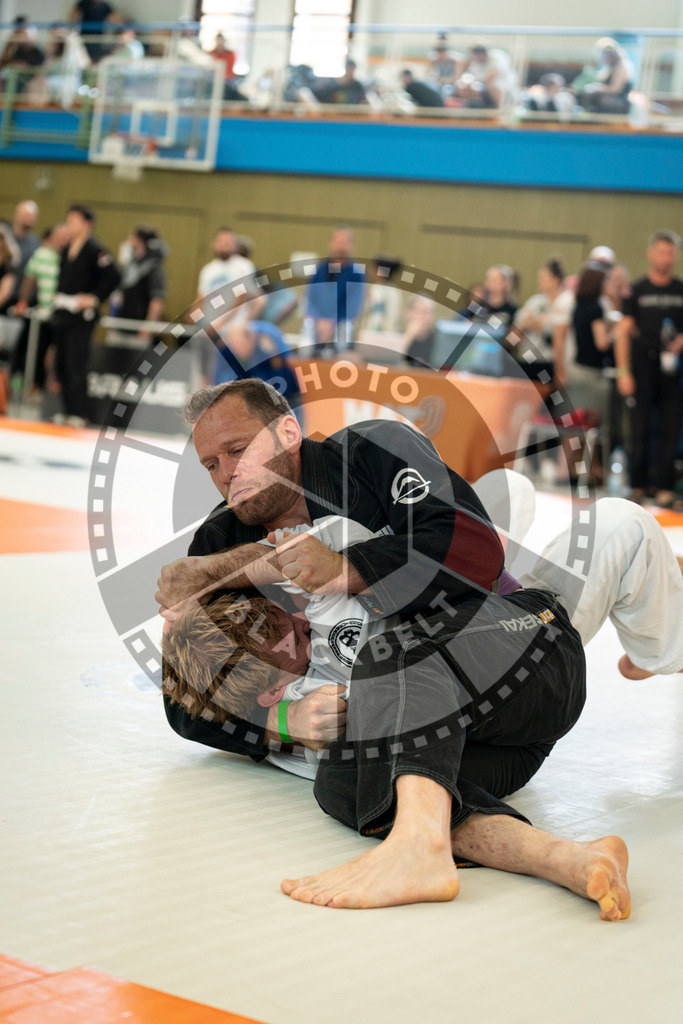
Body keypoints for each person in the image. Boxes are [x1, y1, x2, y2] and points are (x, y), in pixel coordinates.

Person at [160, 493, 629, 919]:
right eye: (295, 638)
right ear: (270, 692)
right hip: (506, 742)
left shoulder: (313, 601)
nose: (302, 620)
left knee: (387, 661)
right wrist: (284, 721)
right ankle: (565, 857)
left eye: (291, 614)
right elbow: (191, 703)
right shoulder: (287, 698)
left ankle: (416, 844)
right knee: (344, 781)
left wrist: (214, 577)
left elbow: (306, 558)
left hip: (535, 644)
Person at [615, 230, 683, 506]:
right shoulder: (637, 290)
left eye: (672, 252)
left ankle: (665, 486)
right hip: (642, 366)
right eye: (662, 251)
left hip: (673, 369)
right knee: (639, 426)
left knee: (671, 427)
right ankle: (638, 485)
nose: (667, 257)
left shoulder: (680, 289)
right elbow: (622, 332)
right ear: (651, 253)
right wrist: (623, 372)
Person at [50, 203, 120, 427]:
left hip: (82, 318)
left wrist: (95, 297)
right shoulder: (67, 248)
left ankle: (79, 413)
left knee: (75, 363)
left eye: (73, 221)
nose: (69, 225)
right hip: (63, 312)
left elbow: (114, 276)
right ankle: (67, 410)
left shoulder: (94, 249)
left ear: (87, 224)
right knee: (60, 363)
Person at [193, 226, 262, 385]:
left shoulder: (242, 266)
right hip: (211, 330)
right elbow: (201, 299)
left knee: (229, 378)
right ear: (214, 244)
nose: (225, 245)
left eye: (229, 242)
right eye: (221, 241)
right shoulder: (208, 270)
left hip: (232, 331)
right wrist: (196, 317)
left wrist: (222, 323)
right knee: (206, 374)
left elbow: (241, 297)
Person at [9, 223, 69, 392]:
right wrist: (23, 301)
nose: (62, 241)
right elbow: (30, 278)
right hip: (43, 314)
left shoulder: (71, 257)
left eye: (65, 238)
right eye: (59, 237)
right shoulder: (42, 254)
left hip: (65, 315)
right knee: (37, 352)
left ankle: (52, 391)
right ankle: (35, 387)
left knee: (60, 355)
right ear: (52, 237)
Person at [304, 226, 365, 354]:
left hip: (340, 321)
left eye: (344, 242)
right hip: (318, 321)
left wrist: (332, 321)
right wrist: (319, 320)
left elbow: (353, 307)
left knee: (344, 331)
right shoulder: (319, 269)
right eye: (338, 242)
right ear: (331, 243)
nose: (340, 247)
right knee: (307, 328)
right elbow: (310, 299)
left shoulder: (356, 274)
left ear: (351, 245)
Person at [514, 258, 573, 382]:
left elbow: (555, 328)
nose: (540, 282)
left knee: (548, 396)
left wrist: (537, 321)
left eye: (543, 278)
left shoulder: (567, 301)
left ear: (556, 280)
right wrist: (541, 321)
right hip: (528, 358)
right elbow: (522, 322)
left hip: (549, 359)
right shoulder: (535, 301)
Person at [109, 225, 167, 343]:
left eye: (132, 237)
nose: (128, 241)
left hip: (138, 329)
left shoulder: (154, 269)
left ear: (140, 241)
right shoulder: (130, 265)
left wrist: (149, 326)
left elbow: (157, 300)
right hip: (121, 325)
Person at [577, 38, 633, 116]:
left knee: (596, 97)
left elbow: (615, 89)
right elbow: (599, 79)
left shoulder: (621, 66)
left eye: (605, 54)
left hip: (619, 99)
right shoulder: (609, 67)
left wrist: (597, 88)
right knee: (583, 94)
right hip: (609, 97)